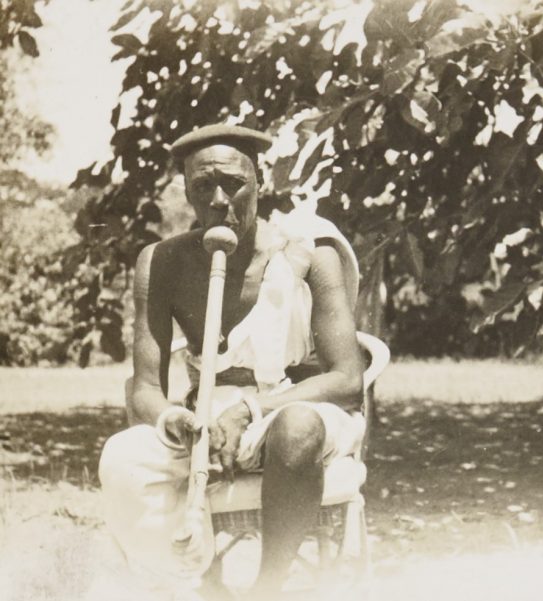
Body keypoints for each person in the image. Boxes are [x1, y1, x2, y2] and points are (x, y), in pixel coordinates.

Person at [98, 124, 365, 598]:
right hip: (205, 416)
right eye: (203, 187)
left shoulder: (308, 253)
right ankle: (203, 585)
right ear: (187, 193)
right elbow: (143, 390)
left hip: (293, 406)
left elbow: (346, 379)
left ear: (260, 182)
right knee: (123, 456)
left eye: (234, 183)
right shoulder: (160, 261)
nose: (220, 200)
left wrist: (249, 411)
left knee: (297, 428)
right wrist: (181, 421)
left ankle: (267, 587)